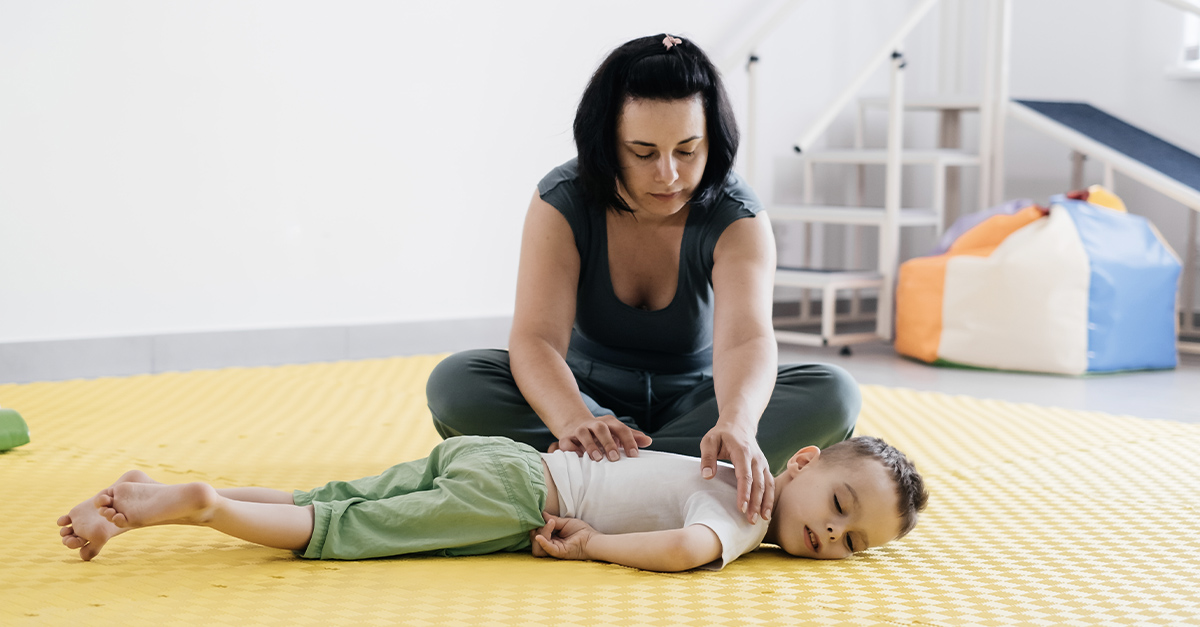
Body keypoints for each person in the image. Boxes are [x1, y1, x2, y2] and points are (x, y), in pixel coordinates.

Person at [425, 33, 861, 528]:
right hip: (584, 398)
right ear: (607, 145)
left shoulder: (737, 216)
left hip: (699, 407)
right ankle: (664, 480)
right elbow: (537, 339)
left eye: (688, 150)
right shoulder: (561, 201)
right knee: (456, 383)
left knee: (834, 393)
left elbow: (746, 339)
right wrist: (573, 421)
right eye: (644, 152)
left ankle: (589, 479)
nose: (669, 174)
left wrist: (735, 424)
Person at [56, 435, 928, 572]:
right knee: (342, 529)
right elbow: (685, 551)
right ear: (804, 462)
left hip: (504, 452)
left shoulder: (732, 458)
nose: (832, 531)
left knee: (331, 492)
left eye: (853, 542)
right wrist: (589, 547)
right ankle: (203, 505)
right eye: (842, 501)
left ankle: (139, 492)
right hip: (518, 493)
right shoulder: (743, 512)